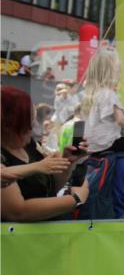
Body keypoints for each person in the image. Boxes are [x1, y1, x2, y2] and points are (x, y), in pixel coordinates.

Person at [1, 86, 89, 221]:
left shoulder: (31, 145)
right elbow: (17, 211)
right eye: (30, 122)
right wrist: (74, 200)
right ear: (9, 126)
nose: (35, 126)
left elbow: (50, 188)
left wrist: (67, 162)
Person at [80, 50, 124, 153]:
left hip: (93, 145)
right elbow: (121, 120)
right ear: (109, 74)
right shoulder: (108, 94)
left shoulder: (89, 95)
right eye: (118, 71)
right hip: (107, 143)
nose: (119, 75)